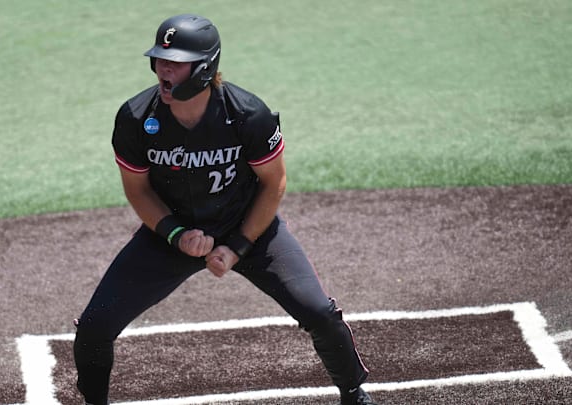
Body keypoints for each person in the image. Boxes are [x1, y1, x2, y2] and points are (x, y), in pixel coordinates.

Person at [73, 13, 377, 405]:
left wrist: (237, 246)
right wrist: (176, 235)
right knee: (95, 328)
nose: (163, 70)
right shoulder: (136, 118)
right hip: (170, 235)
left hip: (248, 227)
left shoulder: (247, 114)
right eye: (160, 60)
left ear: (204, 68)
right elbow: (138, 190)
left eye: (176, 62)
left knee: (318, 311)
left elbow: (274, 184)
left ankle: (353, 393)